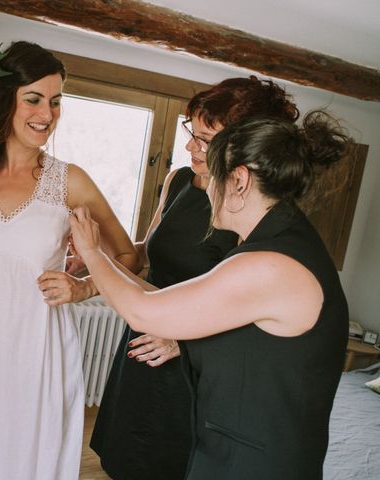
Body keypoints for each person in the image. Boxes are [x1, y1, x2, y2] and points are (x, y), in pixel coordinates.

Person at [69, 110, 350, 480]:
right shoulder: (278, 243)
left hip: (257, 464)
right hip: (238, 448)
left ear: (239, 181)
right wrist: (104, 260)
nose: (207, 187)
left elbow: (144, 312)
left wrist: (92, 251)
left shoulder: (270, 265)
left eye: (211, 176)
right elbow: (166, 302)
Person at [0, 41, 140, 480]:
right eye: (34, 99)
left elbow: (129, 255)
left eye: (56, 102)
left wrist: (84, 287)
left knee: (25, 455)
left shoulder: (69, 180)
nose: (48, 114)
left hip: (38, 348)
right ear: (3, 101)